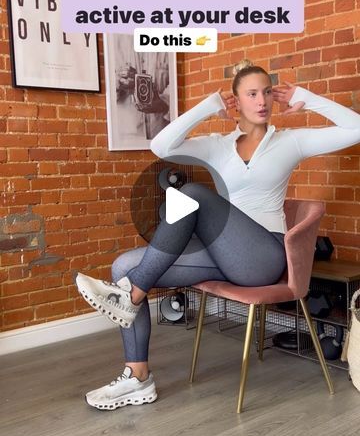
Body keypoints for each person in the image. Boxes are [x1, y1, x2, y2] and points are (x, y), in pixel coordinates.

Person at [76, 60, 360, 410]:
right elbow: (161, 146)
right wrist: (208, 107)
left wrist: (307, 97)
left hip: (262, 256)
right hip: (221, 254)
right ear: (236, 102)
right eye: (252, 93)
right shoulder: (216, 145)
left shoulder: (291, 142)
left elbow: (356, 128)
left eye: (267, 93)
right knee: (123, 265)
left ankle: (129, 296)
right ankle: (137, 377)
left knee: (192, 194)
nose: (262, 101)